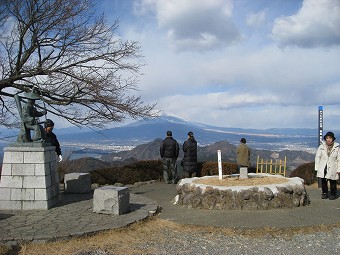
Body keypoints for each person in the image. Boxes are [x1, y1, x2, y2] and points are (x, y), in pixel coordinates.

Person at [315, 131, 340, 200]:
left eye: (330, 138)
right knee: (323, 181)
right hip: (323, 167)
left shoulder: (337, 148)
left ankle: (333, 194)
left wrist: (338, 169)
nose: (328, 139)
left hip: (333, 167)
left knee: (333, 181)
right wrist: (317, 167)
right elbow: (317, 157)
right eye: (327, 138)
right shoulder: (321, 147)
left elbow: (339, 159)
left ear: (333, 139)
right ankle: (324, 193)